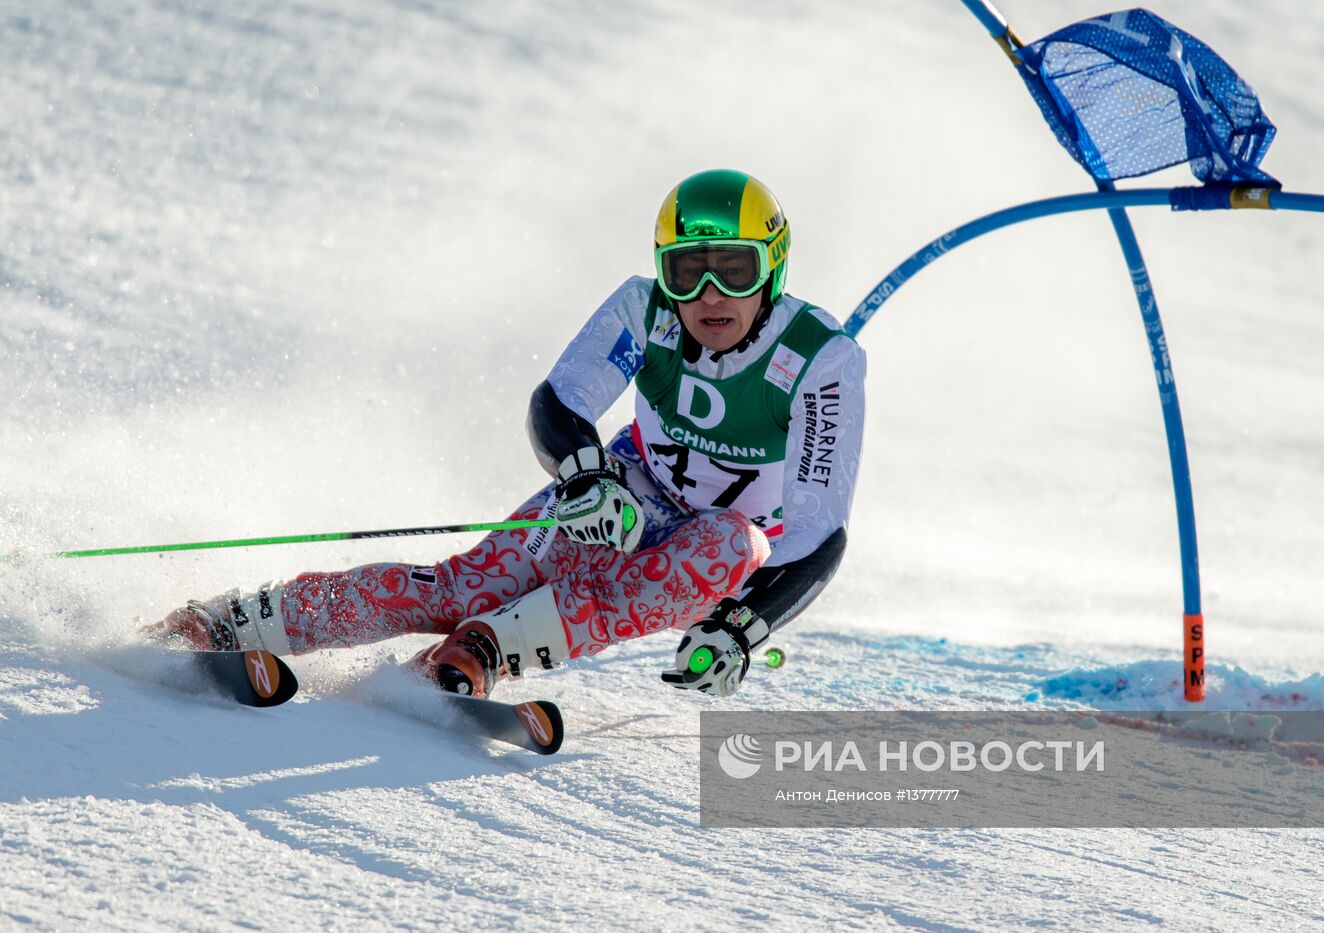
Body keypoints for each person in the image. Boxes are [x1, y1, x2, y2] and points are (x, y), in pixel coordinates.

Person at [148, 169, 867, 698]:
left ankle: (485, 651)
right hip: (630, 494)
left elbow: (817, 531)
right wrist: (585, 476)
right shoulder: (643, 309)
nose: (708, 296)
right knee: (462, 585)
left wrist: (744, 626)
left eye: (733, 269)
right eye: (687, 272)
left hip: (715, 553)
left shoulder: (822, 361)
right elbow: (560, 399)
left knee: (730, 543)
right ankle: (241, 620)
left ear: (771, 267)